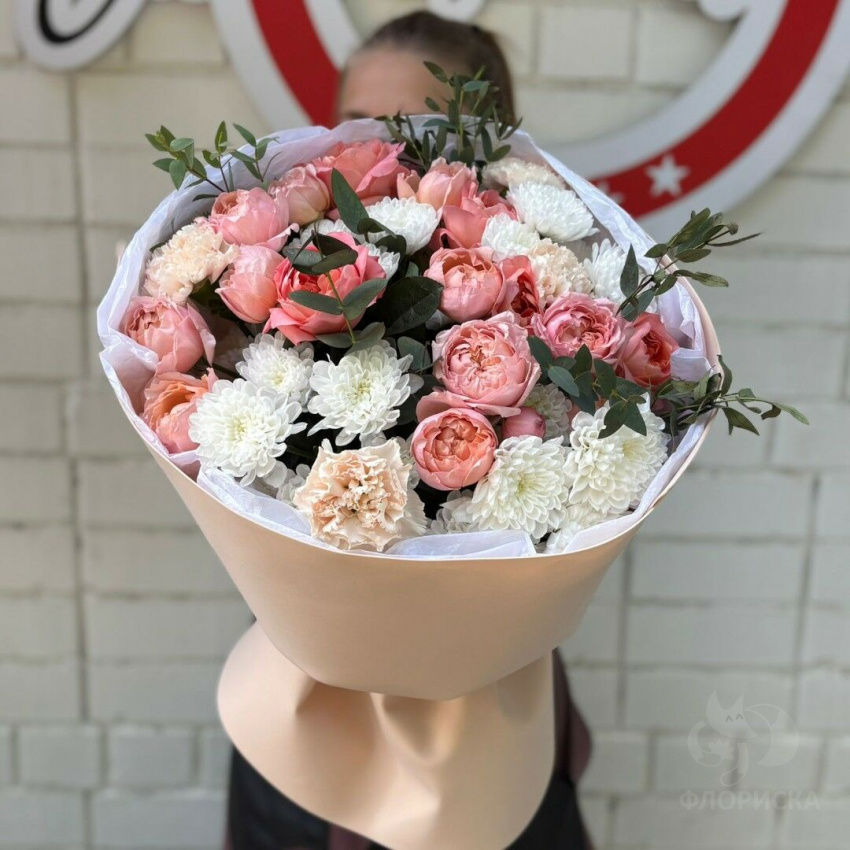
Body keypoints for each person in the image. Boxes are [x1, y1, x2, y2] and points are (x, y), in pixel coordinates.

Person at [225, 12, 592, 850]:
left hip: (486, 710)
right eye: (354, 126)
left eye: (411, 130)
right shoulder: (283, 274)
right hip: (303, 714)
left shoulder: (548, 291)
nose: (378, 154)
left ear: (485, 144)